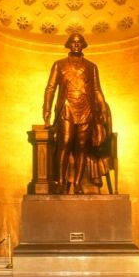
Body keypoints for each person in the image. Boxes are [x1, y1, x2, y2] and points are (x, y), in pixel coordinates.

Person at [42, 33, 112, 194]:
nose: (76, 45)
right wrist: (46, 111)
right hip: (66, 107)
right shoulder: (59, 64)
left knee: (82, 148)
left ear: (83, 45)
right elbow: (50, 88)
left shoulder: (91, 66)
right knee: (64, 144)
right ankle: (60, 181)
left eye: (79, 42)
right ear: (68, 44)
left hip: (86, 109)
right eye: (73, 42)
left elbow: (96, 90)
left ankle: (78, 183)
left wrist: (102, 111)